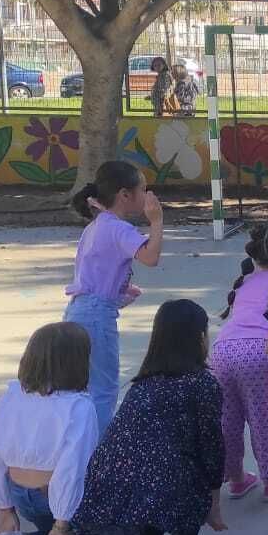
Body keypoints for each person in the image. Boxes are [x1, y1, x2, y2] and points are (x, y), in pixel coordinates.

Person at [70, 300, 227, 535]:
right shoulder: (202, 384)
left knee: (157, 487)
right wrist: (214, 496)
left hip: (125, 485)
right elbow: (211, 445)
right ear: (199, 338)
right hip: (167, 485)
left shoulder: (141, 385)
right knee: (183, 484)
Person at [0, 323, 104, 535]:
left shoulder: (12, 396)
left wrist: (5, 508)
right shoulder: (78, 406)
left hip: (20, 494)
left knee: (52, 524)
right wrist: (62, 521)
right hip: (52, 494)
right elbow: (73, 468)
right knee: (107, 489)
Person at [66, 160, 165, 432]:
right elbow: (151, 257)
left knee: (82, 387)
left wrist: (117, 293)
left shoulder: (97, 225)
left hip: (78, 311)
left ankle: (80, 445)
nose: (147, 194)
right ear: (124, 195)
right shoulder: (118, 228)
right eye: (143, 189)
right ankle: (99, 451)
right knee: (104, 390)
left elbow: (94, 273)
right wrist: (156, 221)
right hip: (97, 316)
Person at [211, 223, 268, 506]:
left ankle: (235, 478)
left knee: (228, 419)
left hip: (222, 352)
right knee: (262, 418)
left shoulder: (242, 284)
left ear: (254, 256)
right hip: (260, 352)